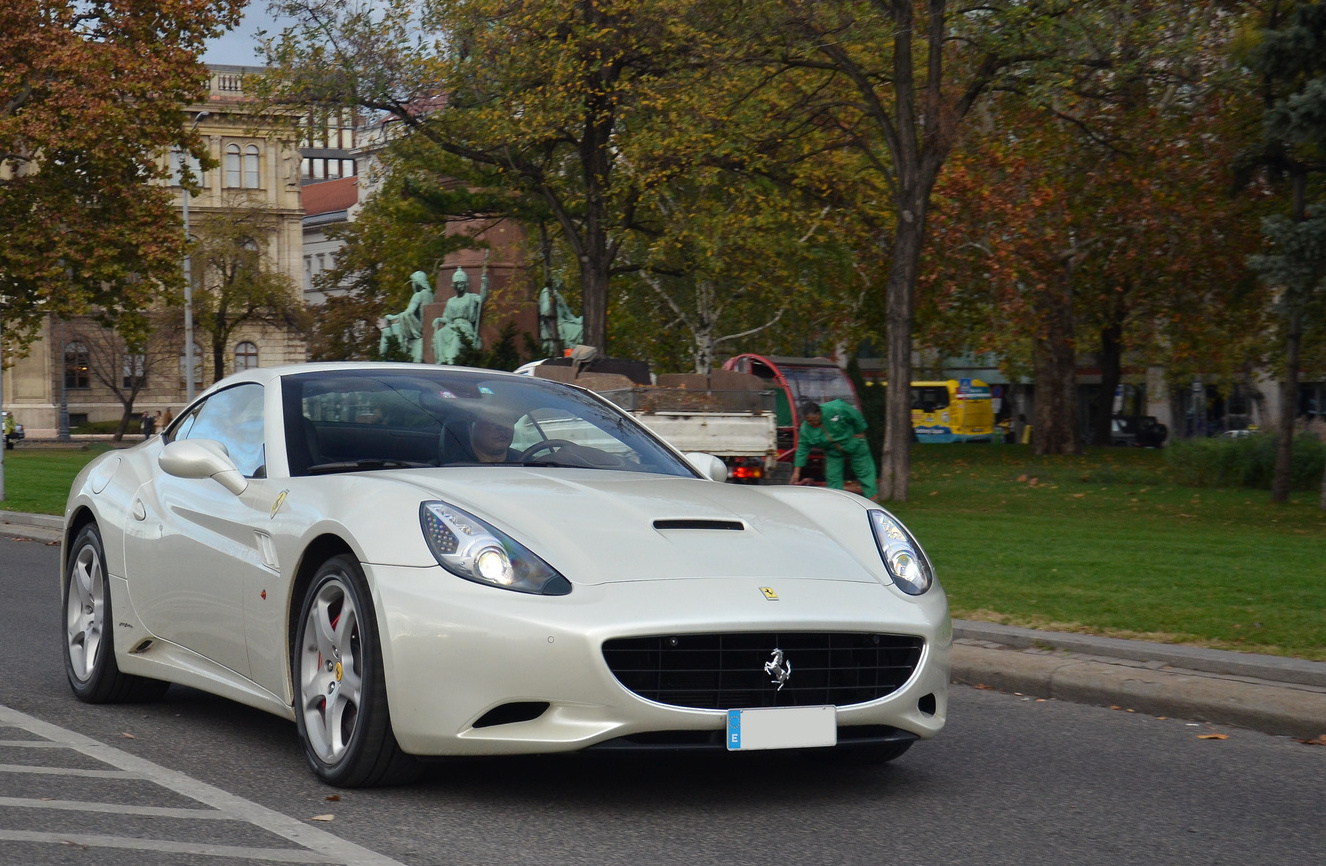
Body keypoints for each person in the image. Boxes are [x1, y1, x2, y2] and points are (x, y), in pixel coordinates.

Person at [790, 399, 878, 500]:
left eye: (814, 419)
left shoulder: (835, 408)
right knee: (833, 478)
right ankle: (836, 504)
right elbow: (802, 449)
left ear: (819, 413)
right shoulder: (805, 430)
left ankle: (874, 502)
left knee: (865, 473)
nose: (812, 423)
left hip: (854, 442)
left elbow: (854, 415)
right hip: (833, 451)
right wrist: (796, 472)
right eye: (808, 421)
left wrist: (860, 431)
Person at [433, 254, 490, 365]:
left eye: (461, 284)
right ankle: (440, 361)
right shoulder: (451, 301)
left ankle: (451, 362)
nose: (459, 286)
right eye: (457, 284)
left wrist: (485, 284)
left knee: (457, 339)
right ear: (454, 285)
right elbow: (447, 318)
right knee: (440, 334)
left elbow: (482, 298)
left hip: (464, 328)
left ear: (465, 284)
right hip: (452, 326)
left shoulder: (471, 297)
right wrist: (439, 320)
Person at [378, 271, 435, 362]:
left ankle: (382, 360)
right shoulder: (430, 294)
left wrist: (392, 317)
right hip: (425, 327)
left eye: (413, 282)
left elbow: (408, 313)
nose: (412, 285)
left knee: (386, 331)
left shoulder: (418, 295)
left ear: (417, 283)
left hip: (416, 329)